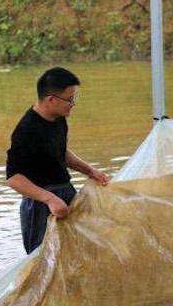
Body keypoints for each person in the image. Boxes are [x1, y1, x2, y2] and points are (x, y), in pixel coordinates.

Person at [6, 66, 110, 254]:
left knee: (78, 253)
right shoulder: (26, 131)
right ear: (51, 100)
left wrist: (90, 171)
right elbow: (14, 178)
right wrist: (49, 199)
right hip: (40, 204)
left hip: (65, 192)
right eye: (70, 99)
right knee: (45, 261)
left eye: (74, 98)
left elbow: (59, 151)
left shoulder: (58, 118)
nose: (73, 104)